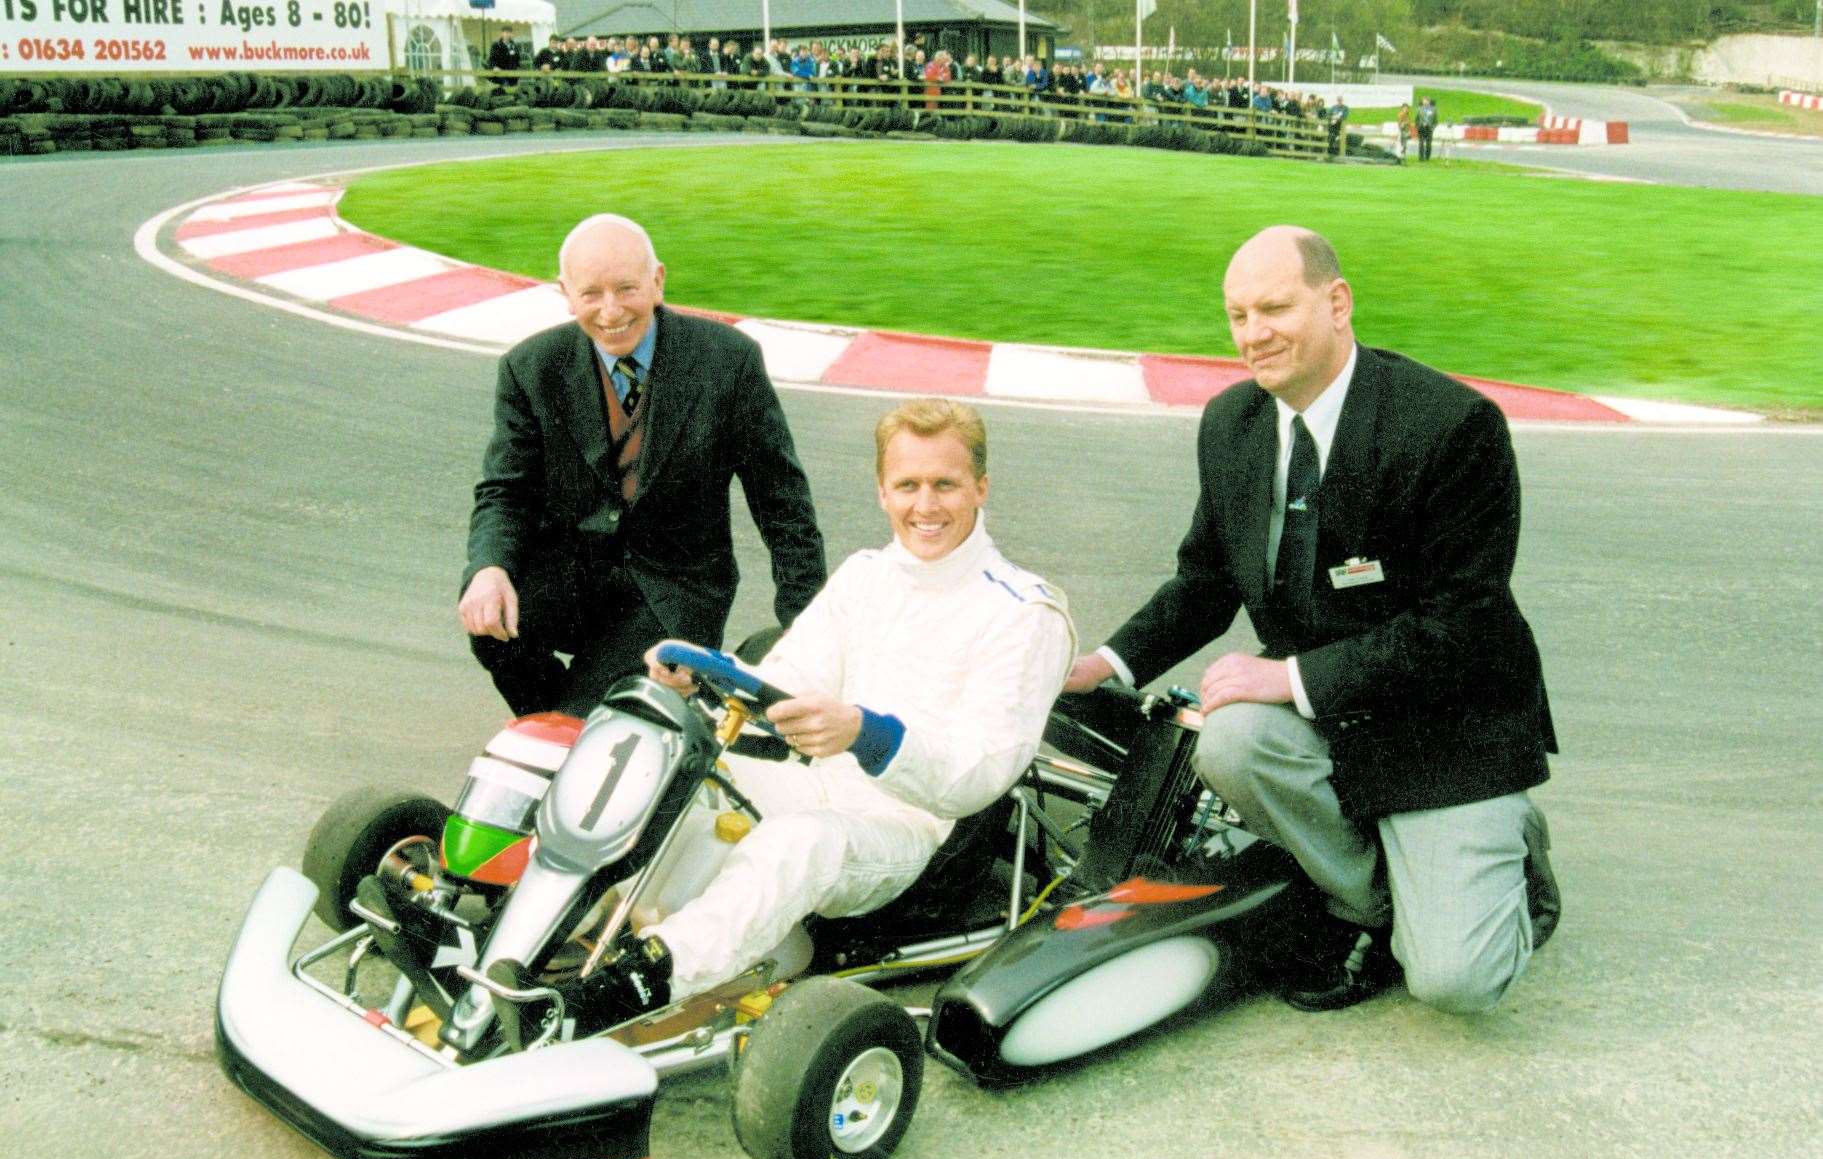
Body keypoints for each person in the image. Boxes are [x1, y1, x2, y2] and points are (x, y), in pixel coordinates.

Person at [1063, 225, 1560, 1017]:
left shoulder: (1451, 427)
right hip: (1329, 717)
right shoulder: (1231, 424)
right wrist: (1106, 662)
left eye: (1272, 307)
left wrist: (1288, 675)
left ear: (1336, 302)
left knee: (1457, 982)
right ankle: (1368, 903)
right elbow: (1206, 579)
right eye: (1235, 315)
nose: (1252, 334)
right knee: (1225, 738)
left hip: (1445, 725)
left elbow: (1462, 625)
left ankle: (1512, 863)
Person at [546, 399, 1076, 1021]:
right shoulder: (867, 576)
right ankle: (532, 924)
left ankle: (625, 988)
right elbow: (787, 680)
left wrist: (865, 734)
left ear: (980, 488)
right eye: (908, 485)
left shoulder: (1025, 612)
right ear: (883, 492)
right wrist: (704, 679)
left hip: (908, 825)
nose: (925, 507)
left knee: (799, 845)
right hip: (812, 779)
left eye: (945, 485)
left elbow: (978, 774)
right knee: (660, 769)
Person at [460, 215, 827, 719]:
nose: (611, 311)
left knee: (596, 715)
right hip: (574, 576)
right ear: (566, 295)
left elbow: (780, 499)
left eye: (626, 289)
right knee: (491, 626)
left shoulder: (728, 361)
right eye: (591, 294)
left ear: (657, 281)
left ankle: (589, 723)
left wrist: (805, 622)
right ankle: (565, 724)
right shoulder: (530, 366)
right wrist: (488, 568)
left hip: (675, 585)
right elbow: (505, 491)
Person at [1416, 95, 1438, 160]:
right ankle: (1421, 157)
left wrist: (1432, 128)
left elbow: (1435, 121)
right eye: (1423, 101)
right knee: (1421, 143)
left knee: (1428, 144)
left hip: (1429, 128)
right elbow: (1417, 119)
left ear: (1429, 102)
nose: (1425, 103)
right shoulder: (1419, 109)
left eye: (1426, 101)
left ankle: (1427, 157)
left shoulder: (1433, 109)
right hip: (1422, 127)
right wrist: (1418, 126)